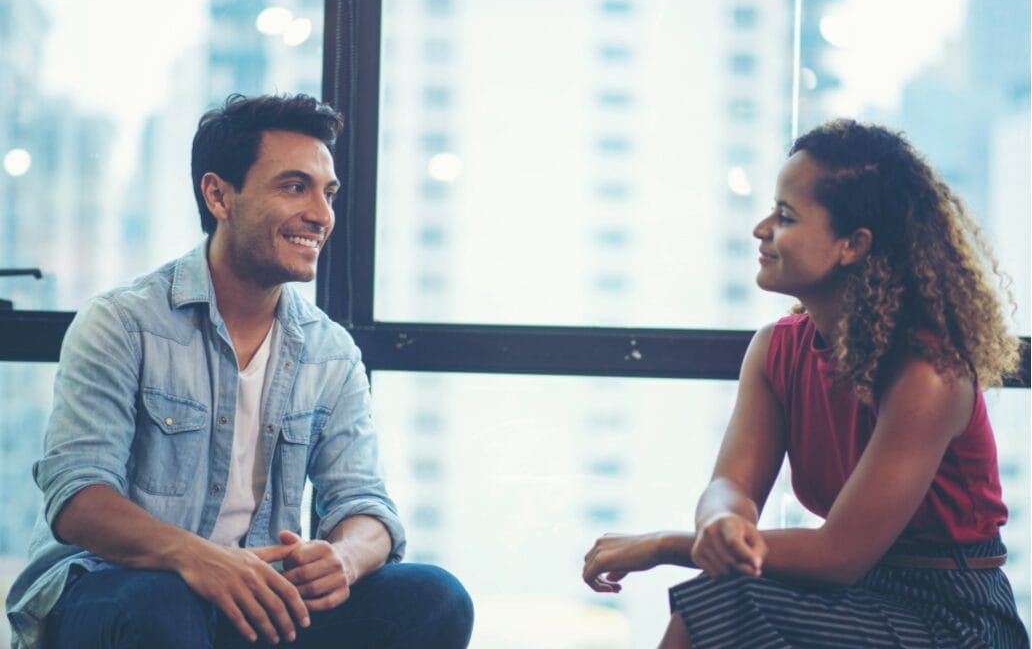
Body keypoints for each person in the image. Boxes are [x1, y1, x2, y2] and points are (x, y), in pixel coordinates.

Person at [6, 93, 474, 649]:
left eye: (327, 193)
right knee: (161, 603)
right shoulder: (123, 322)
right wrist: (200, 559)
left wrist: (344, 559)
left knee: (435, 597)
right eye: (293, 186)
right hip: (116, 592)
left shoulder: (331, 352)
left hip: (259, 602)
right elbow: (78, 498)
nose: (321, 214)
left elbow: (365, 506)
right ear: (219, 194)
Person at [581, 119, 1029, 648]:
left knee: (723, 600)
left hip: (953, 615)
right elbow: (732, 486)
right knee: (722, 591)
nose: (761, 228)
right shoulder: (777, 348)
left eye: (786, 216)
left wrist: (660, 546)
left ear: (852, 245)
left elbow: (839, 556)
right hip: (856, 597)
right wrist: (723, 522)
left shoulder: (928, 372)